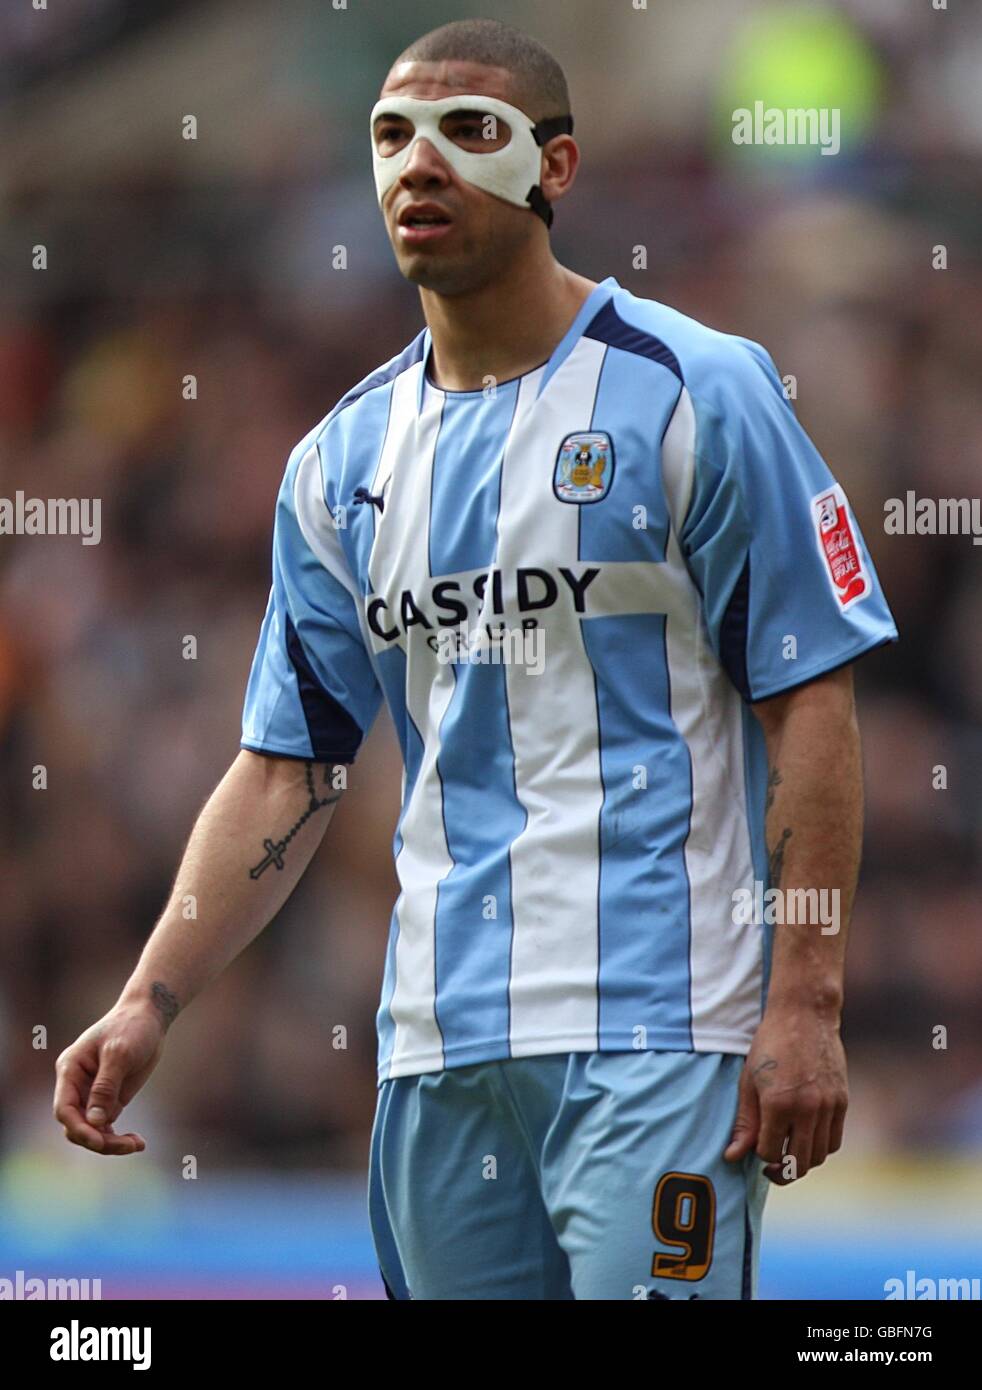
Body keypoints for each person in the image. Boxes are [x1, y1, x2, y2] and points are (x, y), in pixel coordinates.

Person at [53, 18, 899, 1300]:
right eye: (392, 136)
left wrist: (806, 1003)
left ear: (554, 168)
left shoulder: (698, 393)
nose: (418, 165)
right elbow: (285, 771)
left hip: (660, 1043)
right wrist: (148, 1000)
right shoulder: (339, 464)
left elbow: (814, 705)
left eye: (467, 132)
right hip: (438, 1059)